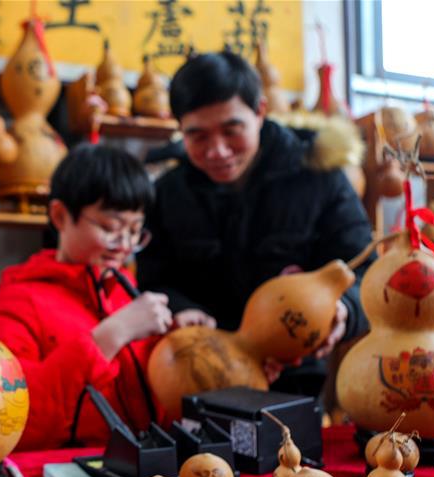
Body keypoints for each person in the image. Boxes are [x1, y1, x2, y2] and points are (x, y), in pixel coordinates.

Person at [137, 51, 373, 395]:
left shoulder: (318, 177)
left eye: (231, 131)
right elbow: (152, 280)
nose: (218, 151)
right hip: (200, 375)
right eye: (198, 137)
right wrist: (180, 310)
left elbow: (365, 270)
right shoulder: (167, 193)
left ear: (260, 111)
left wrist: (344, 309)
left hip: (293, 379)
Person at [0, 144, 172, 450]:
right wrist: (109, 336)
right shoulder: (19, 300)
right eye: (110, 227)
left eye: (135, 231)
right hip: (60, 472)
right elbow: (12, 418)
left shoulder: (127, 292)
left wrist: (181, 341)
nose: (125, 245)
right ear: (60, 216)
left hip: (144, 467)